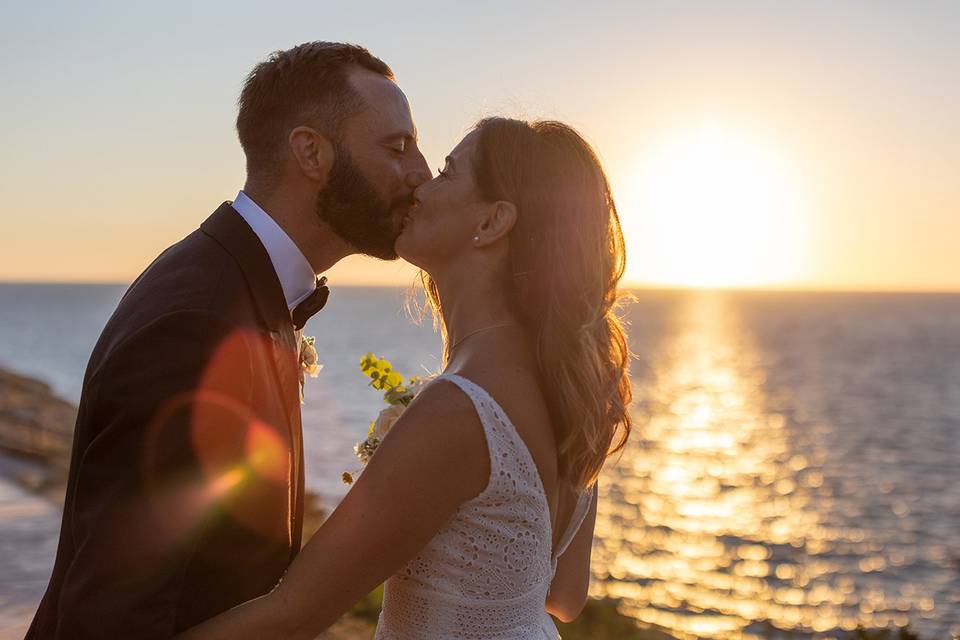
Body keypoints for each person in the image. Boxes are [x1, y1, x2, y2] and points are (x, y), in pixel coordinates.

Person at [26, 41, 430, 639]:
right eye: (397, 148)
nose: (420, 173)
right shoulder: (197, 324)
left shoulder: (235, 285)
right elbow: (114, 613)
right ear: (311, 152)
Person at [177, 117, 633, 639]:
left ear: (493, 221)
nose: (420, 184)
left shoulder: (460, 410)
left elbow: (293, 613)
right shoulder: (566, 391)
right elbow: (564, 595)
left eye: (447, 171)